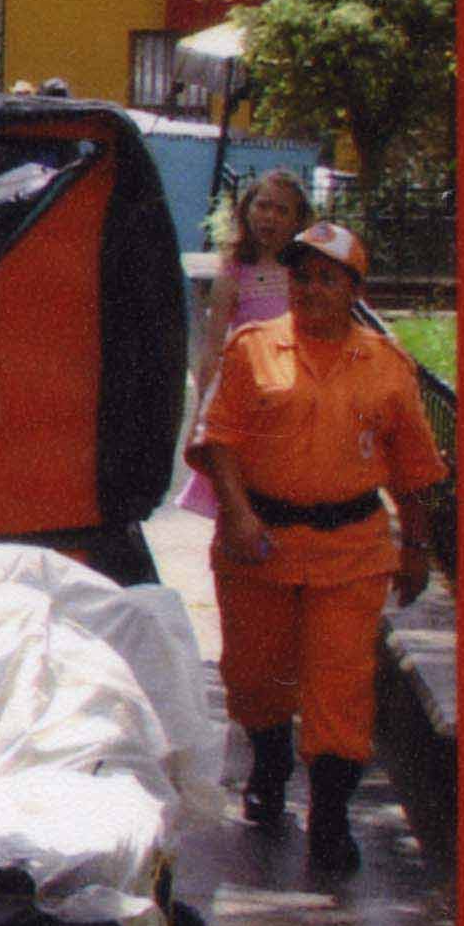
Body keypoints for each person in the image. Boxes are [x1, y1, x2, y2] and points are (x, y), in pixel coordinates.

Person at [189, 220, 445, 876]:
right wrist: (237, 515)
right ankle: (270, 763)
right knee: (255, 678)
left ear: (354, 289)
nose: (310, 289)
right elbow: (219, 438)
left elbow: (415, 469)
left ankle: (329, 819)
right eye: (301, 276)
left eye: (327, 278)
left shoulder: (386, 367)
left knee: (339, 688)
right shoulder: (253, 348)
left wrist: (416, 547)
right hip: (260, 544)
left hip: (350, 551)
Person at [178, 169, 313, 517]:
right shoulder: (235, 271)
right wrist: (202, 413)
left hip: (294, 391)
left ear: (297, 220)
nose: (270, 217)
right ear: (247, 209)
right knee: (236, 487)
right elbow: (213, 348)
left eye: (282, 210)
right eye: (263, 206)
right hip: (244, 391)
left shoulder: (305, 272)